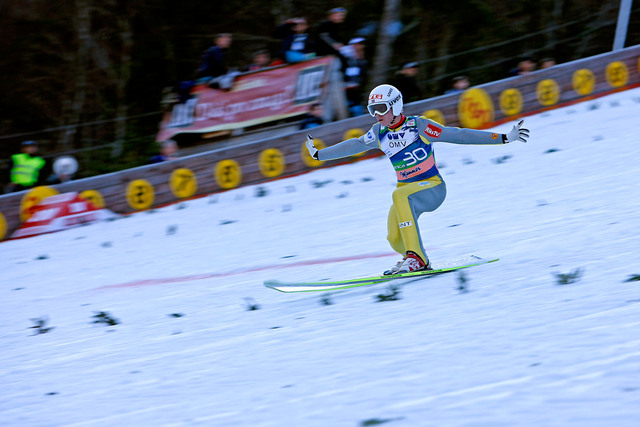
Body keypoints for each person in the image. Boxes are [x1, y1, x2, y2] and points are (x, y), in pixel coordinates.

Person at [305, 84, 530, 274]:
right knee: (393, 238)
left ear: (395, 105)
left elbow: (458, 135)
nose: (377, 114)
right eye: (372, 110)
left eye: (381, 108)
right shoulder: (378, 132)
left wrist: (503, 138)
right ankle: (412, 257)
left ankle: (417, 259)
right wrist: (319, 154)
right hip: (407, 192)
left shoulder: (418, 126)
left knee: (398, 194)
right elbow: (355, 144)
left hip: (432, 188)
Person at [342, 37, 368, 116]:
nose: (361, 47)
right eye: (358, 45)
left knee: (356, 106)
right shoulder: (346, 57)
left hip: (356, 87)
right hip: (346, 88)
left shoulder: (361, 60)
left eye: (361, 45)